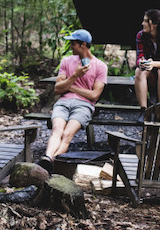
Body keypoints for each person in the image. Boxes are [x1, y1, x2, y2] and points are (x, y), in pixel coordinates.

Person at [37, 29, 107, 173]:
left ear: (83, 45)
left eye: (73, 43)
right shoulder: (67, 61)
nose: (70, 46)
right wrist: (75, 76)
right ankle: (48, 158)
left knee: (67, 134)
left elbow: (94, 95)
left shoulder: (100, 66)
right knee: (57, 130)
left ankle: (53, 162)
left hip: (84, 105)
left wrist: (71, 87)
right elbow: (58, 88)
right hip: (64, 102)